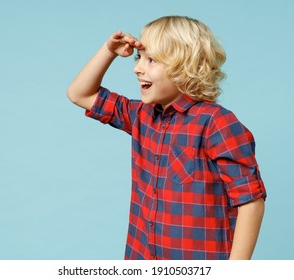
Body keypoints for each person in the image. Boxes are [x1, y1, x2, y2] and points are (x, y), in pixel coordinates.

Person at [67, 15, 267, 260]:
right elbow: (79, 93)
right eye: (139, 58)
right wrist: (108, 51)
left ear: (186, 66)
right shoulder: (141, 115)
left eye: (152, 60)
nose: (137, 68)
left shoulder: (216, 123)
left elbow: (250, 201)